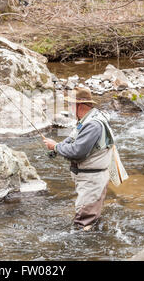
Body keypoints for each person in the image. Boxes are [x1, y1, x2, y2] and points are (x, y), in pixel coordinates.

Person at [43, 87, 115, 231]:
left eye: (71, 105)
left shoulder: (92, 125)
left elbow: (77, 151)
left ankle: (88, 250)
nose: (69, 108)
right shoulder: (87, 119)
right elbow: (71, 140)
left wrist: (56, 147)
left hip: (92, 181)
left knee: (83, 222)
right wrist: (57, 147)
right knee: (89, 216)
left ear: (79, 106)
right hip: (90, 179)